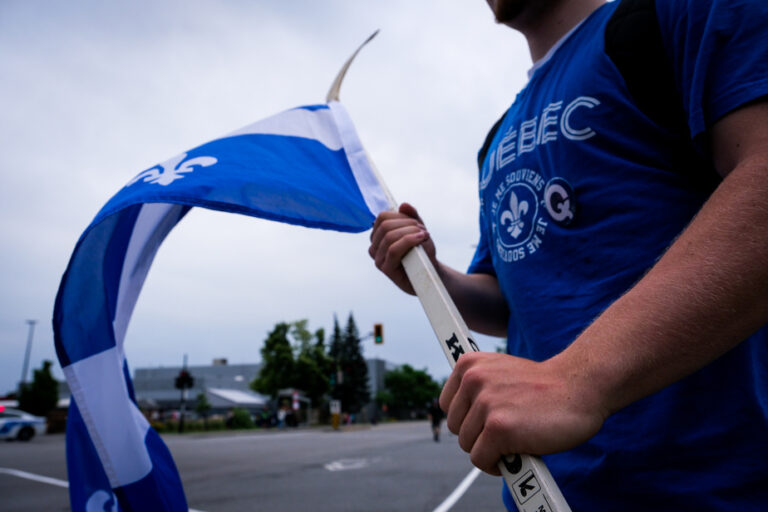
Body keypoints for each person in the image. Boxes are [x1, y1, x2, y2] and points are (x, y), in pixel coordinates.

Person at [368, 0, 768, 509]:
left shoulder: (676, 14)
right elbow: (509, 298)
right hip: (546, 494)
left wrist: (576, 379)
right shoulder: (495, 140)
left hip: (711, 488)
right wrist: (430, 274)